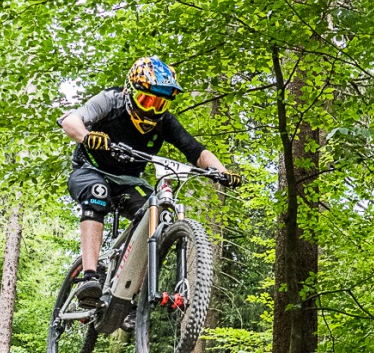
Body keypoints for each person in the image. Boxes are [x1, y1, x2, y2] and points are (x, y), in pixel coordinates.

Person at [58, 56, 240, 305]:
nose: (152, 110)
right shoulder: (111, 101)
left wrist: (222, 171)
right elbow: (70, 121)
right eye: (146, 100)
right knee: (97, 193)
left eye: (160, 104)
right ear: (131, 92)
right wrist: (88, 136)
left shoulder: (165, 122)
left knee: (157, 216)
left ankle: (129, 293)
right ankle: (89, 276)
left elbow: (197, 152)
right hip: (90, 170)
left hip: (129, 180)